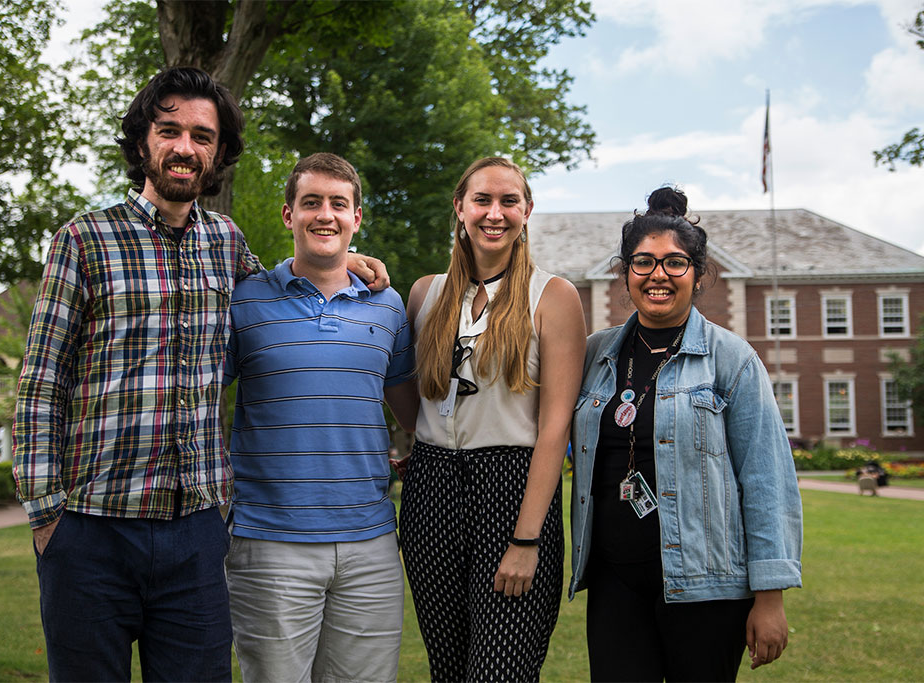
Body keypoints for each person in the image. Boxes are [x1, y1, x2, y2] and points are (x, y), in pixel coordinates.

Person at [12, 68, 386, 682]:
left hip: (198, 535)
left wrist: (349, 260)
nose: (186, 147)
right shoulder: (85, 239)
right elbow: (40, 382)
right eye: (170, 130)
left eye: (203, 136)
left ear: (217, 154)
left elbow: (284, 300)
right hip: (90, 529)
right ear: (143, 145)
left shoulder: (225, 242)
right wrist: (47, 515)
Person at [568, 187, 803, 682]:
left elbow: (766, 477)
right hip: (615, 584)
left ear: (697, 275)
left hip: (708, 585)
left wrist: (770, 596)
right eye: (643, 262)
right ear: (625, 273)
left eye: (675, 263)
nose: (658, 274)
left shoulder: (730, 358)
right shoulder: (595, 355)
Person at [223, 153, 418, 682]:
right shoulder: (244, 301)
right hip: (269, 544)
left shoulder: (389, 307)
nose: (324, 215)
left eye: (338, 204)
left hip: (371, 545)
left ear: (357, 218)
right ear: (289, 215)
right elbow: (193, 395)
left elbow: (413, 412)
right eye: (311, 203)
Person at [398, 157, 587, 681]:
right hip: (432, 491)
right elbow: (412, 396)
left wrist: (526, 541)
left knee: (500, 670)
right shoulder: (425, 294)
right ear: (460, 208)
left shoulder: (553, 296)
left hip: (513, 490)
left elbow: (555, 428)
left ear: (527, 211)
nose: (495, 213)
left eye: (509, 201)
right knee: (449, 668)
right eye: (482, 200)